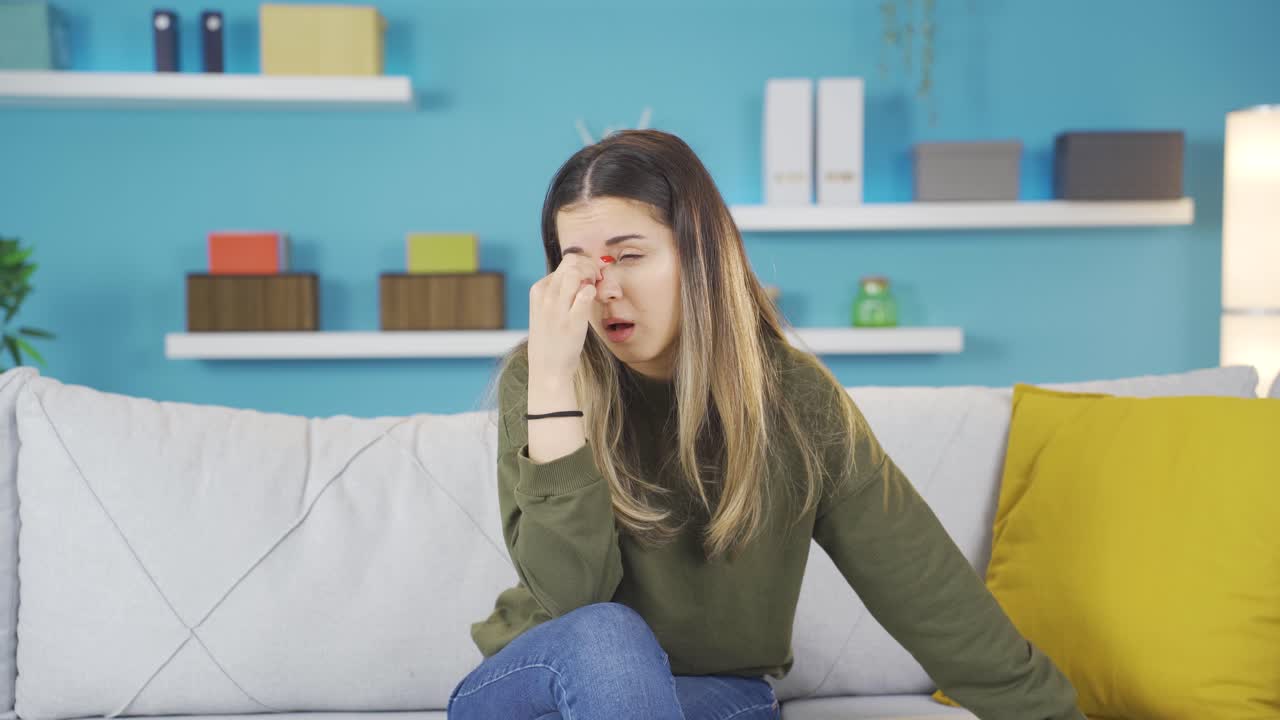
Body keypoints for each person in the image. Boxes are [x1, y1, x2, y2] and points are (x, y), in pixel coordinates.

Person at [446, 129, 1084, 720]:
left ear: (698, 255)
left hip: (707, 692)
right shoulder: (544, 380)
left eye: (629, 255)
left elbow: (929, 596)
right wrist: (556, 383)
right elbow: (570, 598)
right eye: (577, 265)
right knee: (609, 635)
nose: (602, 290)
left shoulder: (796, 400)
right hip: (538, 684)